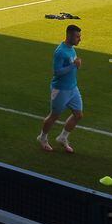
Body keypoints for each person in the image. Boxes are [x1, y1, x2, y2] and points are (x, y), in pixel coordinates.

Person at [37, 24, 82, 152]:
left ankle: (63, 137)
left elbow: (71, 66)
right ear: (69, 36)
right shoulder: (60, 52)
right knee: (54, 116)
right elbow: (57, 72)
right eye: (77, 37)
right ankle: (43, 137)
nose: (80, 39)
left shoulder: (71, 48)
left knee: (78, 115)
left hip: (73, 88)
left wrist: (75, 66)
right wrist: (74, 65)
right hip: (60, 90)